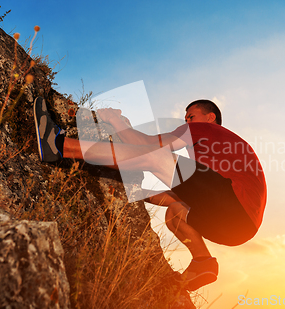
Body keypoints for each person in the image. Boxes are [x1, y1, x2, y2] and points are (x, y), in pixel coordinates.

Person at [33, 97, 267, 291]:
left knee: (157, 158)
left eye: (191, 117)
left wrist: (115, 121)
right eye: (185, 119)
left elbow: (151, 147)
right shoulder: (209, 162)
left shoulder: (206, 129)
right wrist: (137, 188)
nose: (186, 121)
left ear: (210, 117)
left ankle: (58, 146)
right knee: (176, 213)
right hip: (239, 229)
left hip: (235, 204)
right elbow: (170, 195)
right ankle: (203, 262)